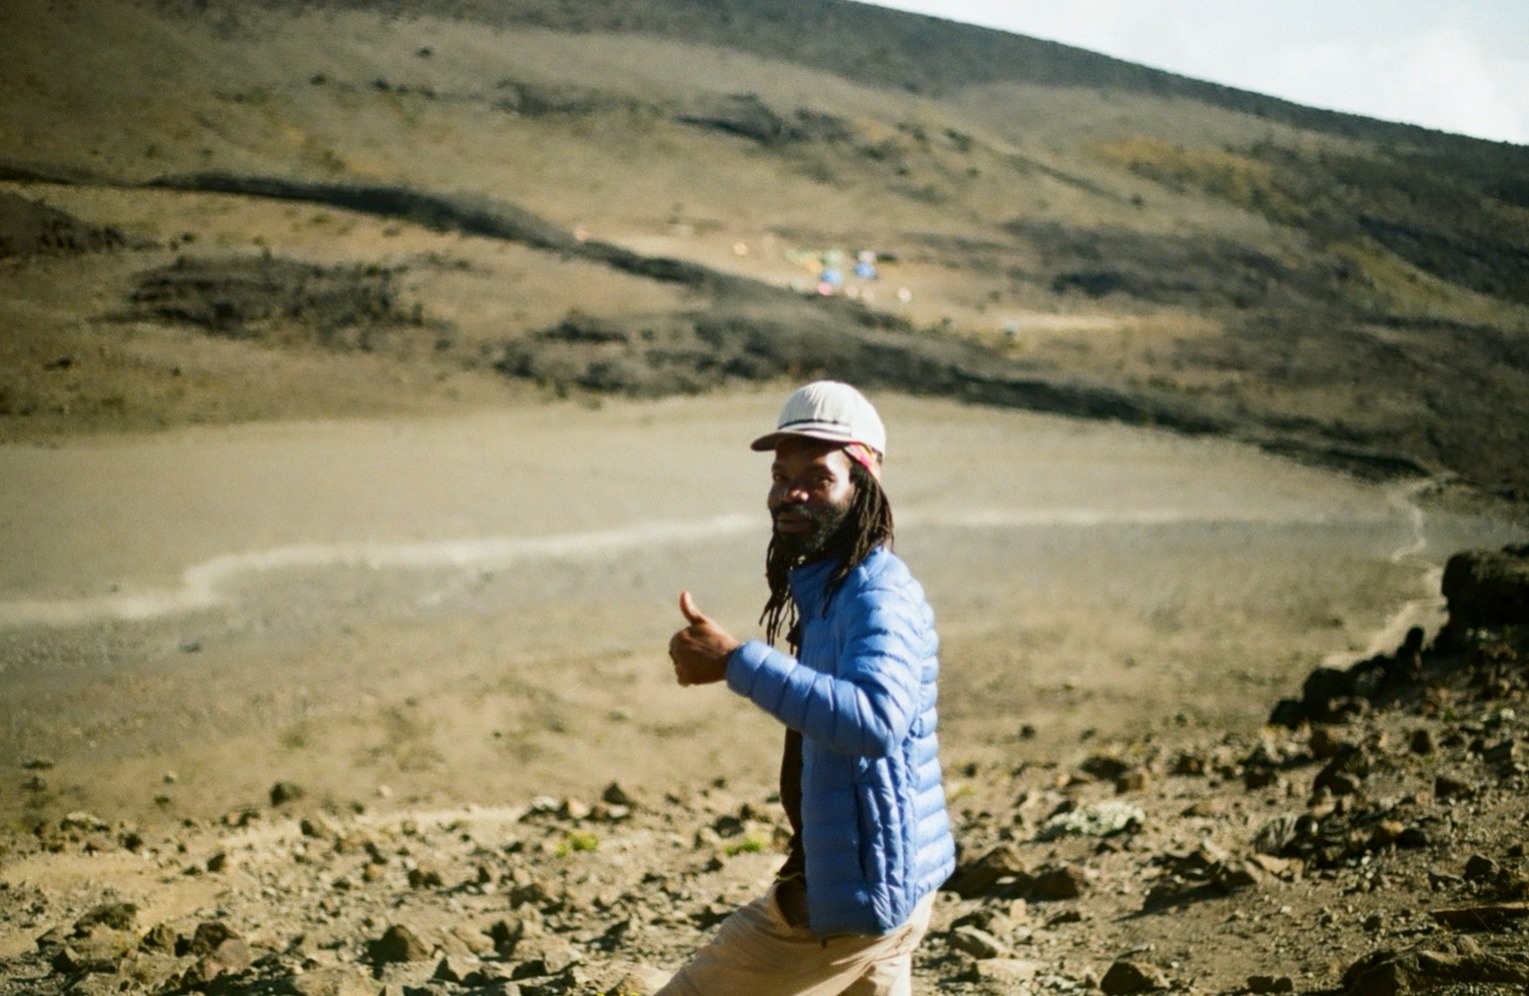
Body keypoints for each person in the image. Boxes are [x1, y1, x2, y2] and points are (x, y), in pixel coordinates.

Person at [661, 381, 956, 996]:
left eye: (817, 477)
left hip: (857, 895)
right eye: (779, 474)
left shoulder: (877, 595)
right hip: (885, 884)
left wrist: (737, 662)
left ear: (862, 485)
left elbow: (875, 719)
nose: (788, 493)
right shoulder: (830, 591)